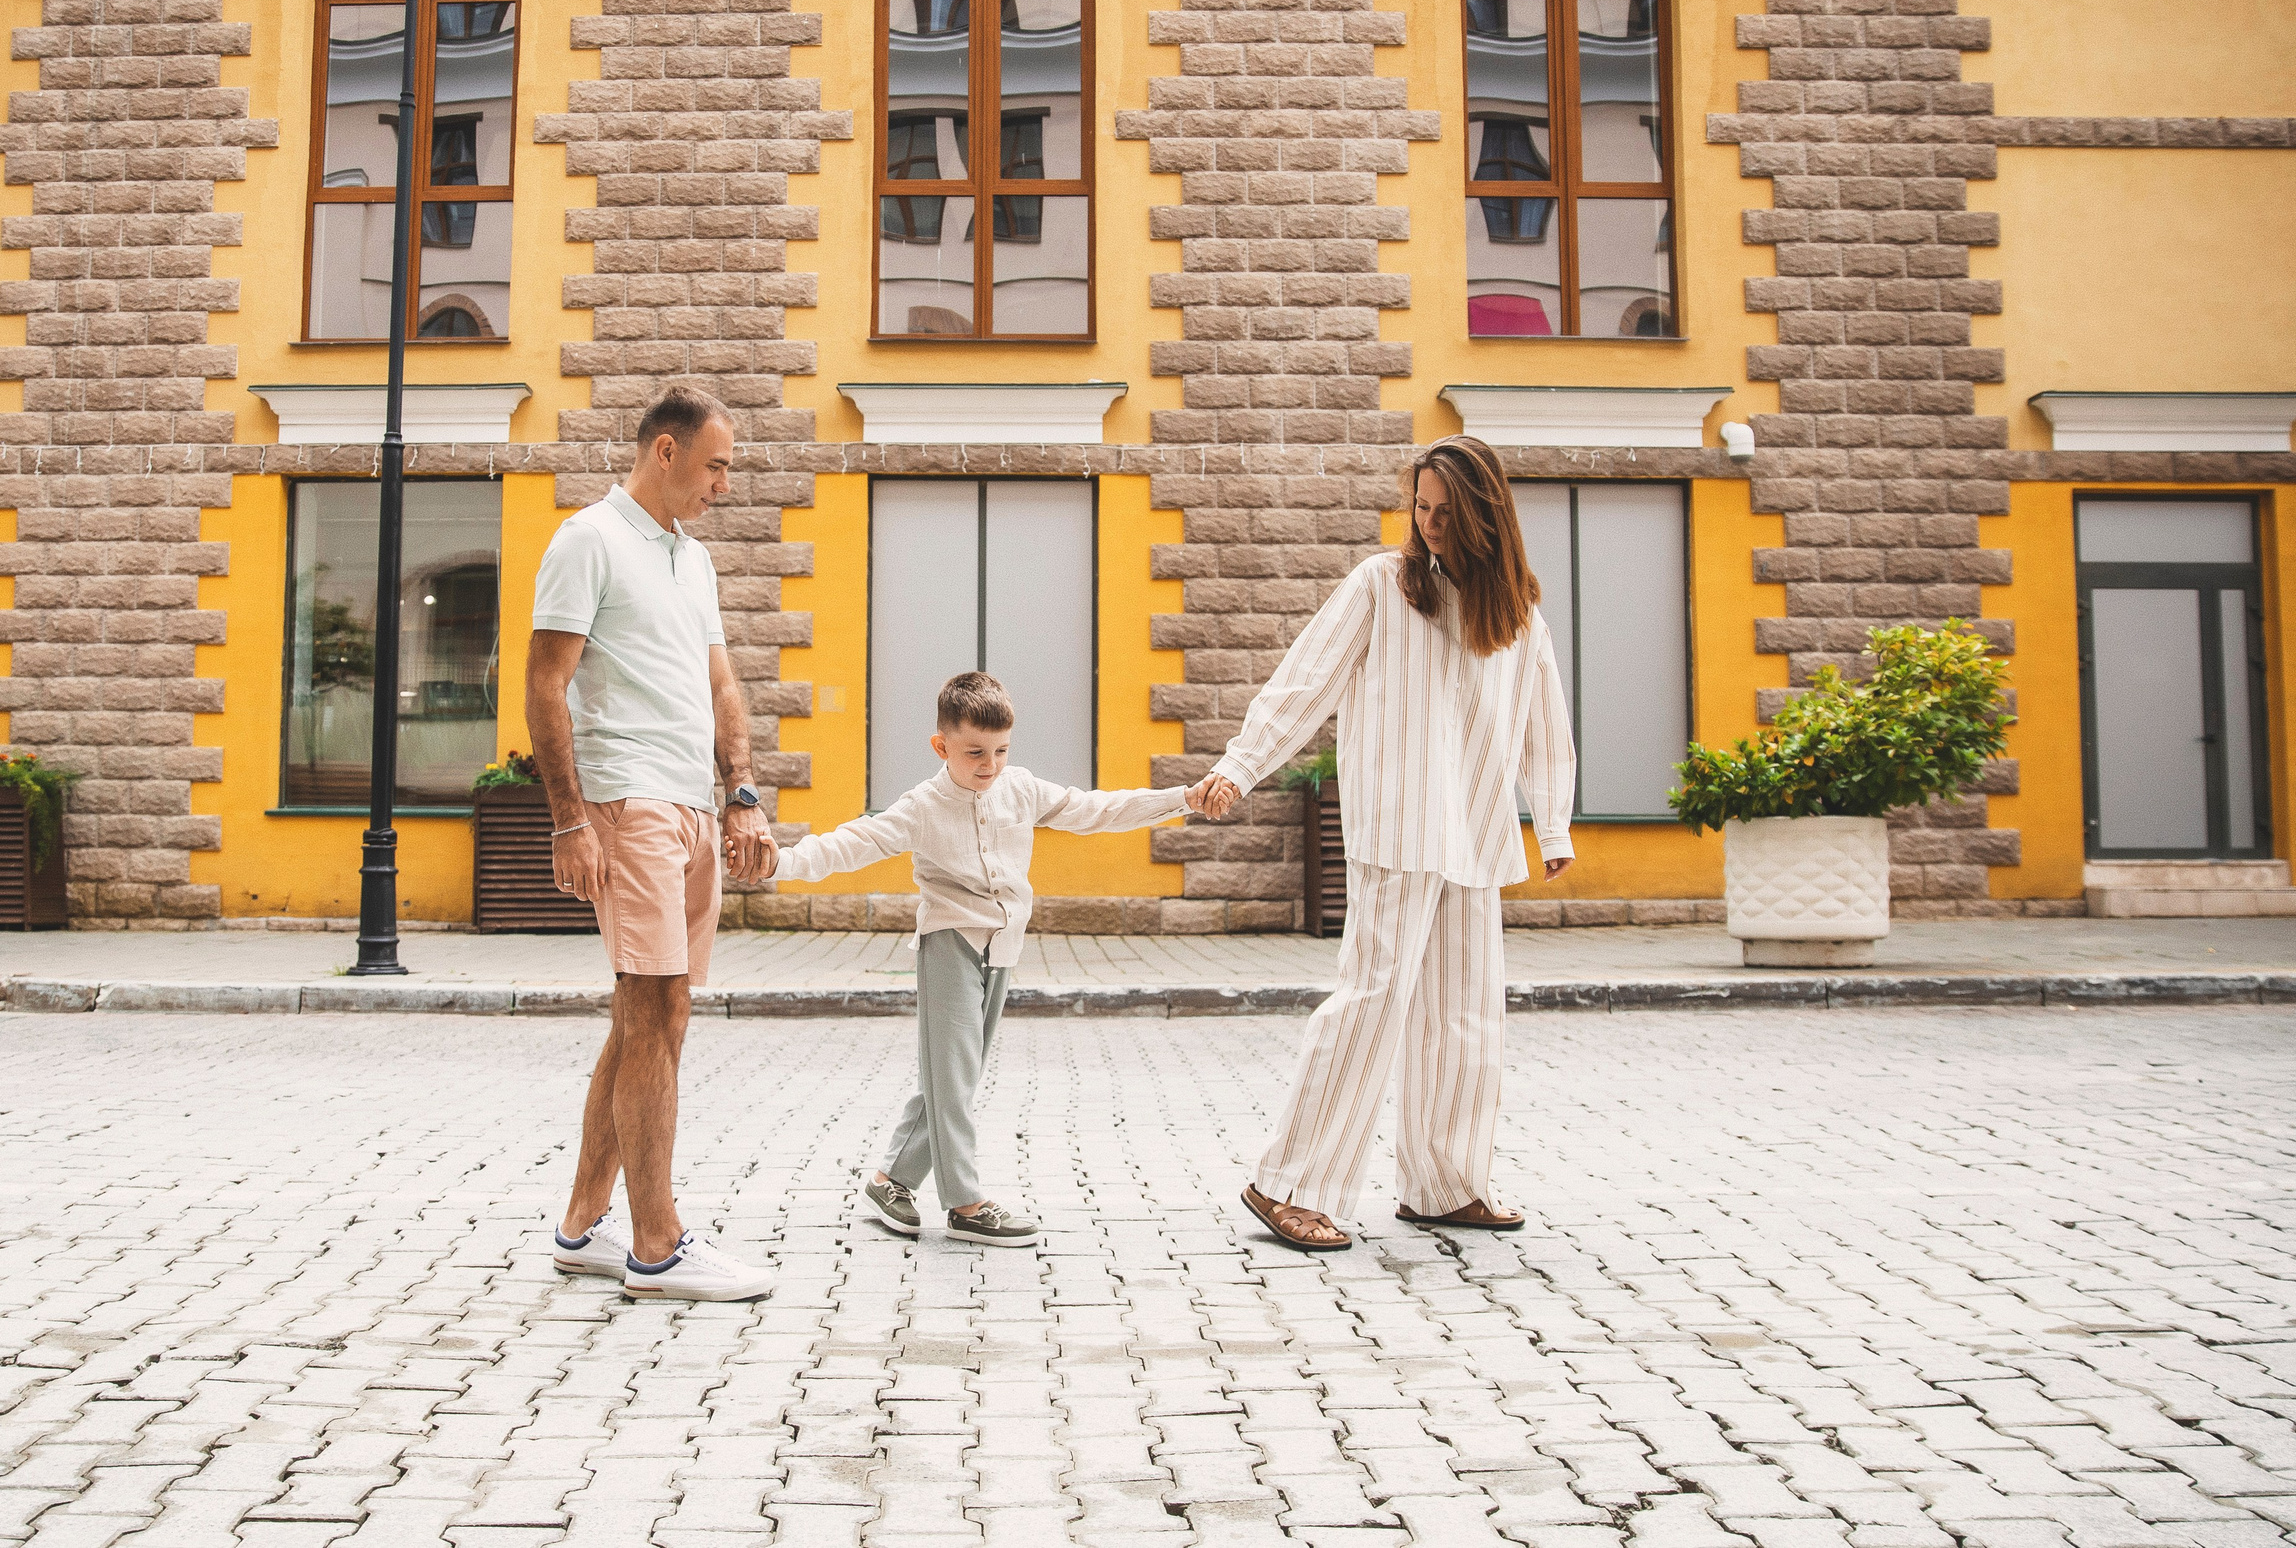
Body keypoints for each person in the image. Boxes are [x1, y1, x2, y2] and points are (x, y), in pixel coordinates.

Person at [1187, 435, 1576, 1253]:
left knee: (1466, 1016)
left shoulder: (1517, 613)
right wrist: (1240, 765)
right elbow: (1305, 682)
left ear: (1484, 515)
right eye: (1421, 508)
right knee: (1371, 1003)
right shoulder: (1380, 586)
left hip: (1474, 830)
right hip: (1396, 828)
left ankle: (1445, 1183)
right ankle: (1287, 1182)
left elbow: (1545, 721)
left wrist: (1555, 822)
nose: (1430, 524)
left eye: (1446, 511)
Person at [771, 671, 1191, 1247]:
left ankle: (890, 1179)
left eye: (1000, 750)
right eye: (974, 752)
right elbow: (852, 842)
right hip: (950, 943)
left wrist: (1184, 799)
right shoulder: (921, 806)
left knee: (954, 1078)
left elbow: (1096, 809)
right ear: (942, 747)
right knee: (953, 1076)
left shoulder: (1020, 789)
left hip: (1004, 948)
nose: (989, 764)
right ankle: (965, 1203)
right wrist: (780, 864)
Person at [528, 384, 781, 1302]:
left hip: (694, 808)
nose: (724, 483)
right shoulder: (586, 539)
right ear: (664, 453)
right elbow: (545, 686)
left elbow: (722, 686)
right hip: (627, 799)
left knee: (649, 1014)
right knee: (657, 1007)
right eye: (715, 465)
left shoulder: (696, 561)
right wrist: (567, 817)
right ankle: (657, 1244)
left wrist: (741, 794)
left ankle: (583, 1225)